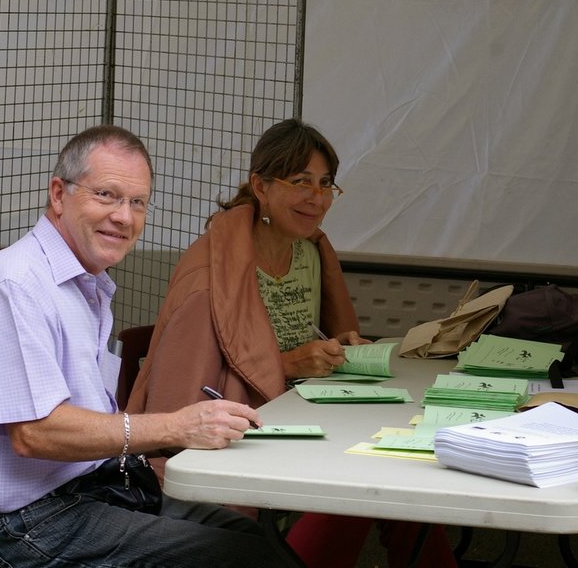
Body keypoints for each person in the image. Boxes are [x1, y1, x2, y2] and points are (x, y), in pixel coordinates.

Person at [0, 125, 294, 568]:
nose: (124, 217)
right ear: (59, 194)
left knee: (249, 536)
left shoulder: (83, 284)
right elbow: (35, 432)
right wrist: (175, 428)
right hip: (23, 526)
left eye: (137, 202)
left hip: (88, 492)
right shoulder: (15, 284)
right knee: (246, 558)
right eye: (106, 195)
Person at [126, 118, 458, 568]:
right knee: (366, 493)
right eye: (300, 182)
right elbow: (186, 397)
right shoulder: (212, 272)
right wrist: (285, 364)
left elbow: (308, 335)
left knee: (410, 487)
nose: (316, 199)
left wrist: (337, 345)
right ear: (259, 185)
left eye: (325, 185)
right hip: (247, 438)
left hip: (305, 418)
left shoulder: (310, 250)